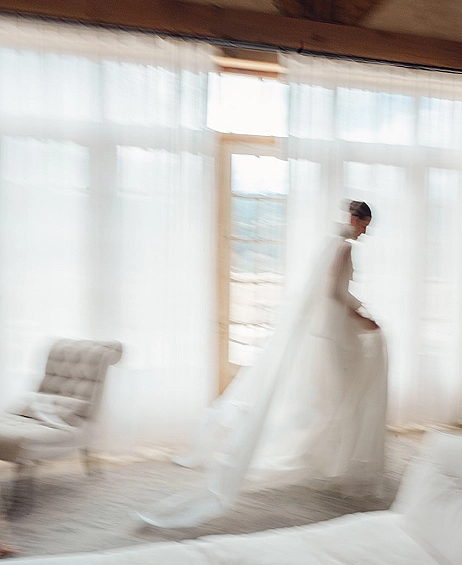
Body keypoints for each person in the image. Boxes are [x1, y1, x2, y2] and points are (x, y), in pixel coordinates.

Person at [137, 201, 388, 529]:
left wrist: (359, 310)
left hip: (324, 330)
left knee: (327, 399)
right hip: (330, 333)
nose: (365, 230)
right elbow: (333, 294)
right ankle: (317, 456)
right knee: (334, 397)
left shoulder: (334, 243)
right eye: (364, 223)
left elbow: (332, 291)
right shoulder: (343, 247)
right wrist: (361, 318)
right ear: (355, 219)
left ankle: (326, 458)